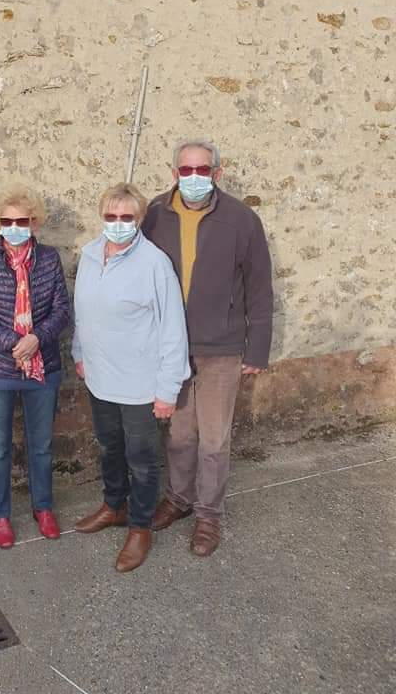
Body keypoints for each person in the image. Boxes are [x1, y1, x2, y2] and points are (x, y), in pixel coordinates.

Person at [141, 138, 273, 557]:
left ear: (217, 172)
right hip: (170, 346)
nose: (193, 178)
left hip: (221, 347)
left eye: (202, 170)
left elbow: (259, 287)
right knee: (179, 434)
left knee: (214, 439)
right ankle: (178, 499)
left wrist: (257, 350)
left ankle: (208, 515)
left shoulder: (242, 219)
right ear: (174, 172)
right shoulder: (155, 215)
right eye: (186, 170)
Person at [72, 183, 190, 573]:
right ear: (101, 216)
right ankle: (114, 506)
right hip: (100, 377)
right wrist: (79, 352)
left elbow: (173, 328)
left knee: (142, 460)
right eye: (111, 216)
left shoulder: (154, 264)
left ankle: (140, 527)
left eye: (126, 217)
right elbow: (84, 311)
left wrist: (168, 388)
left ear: (139, 219)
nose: (118, 224)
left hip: (140, 384)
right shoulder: (90, 254)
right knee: (109, 448)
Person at [0, 186, 70, 549]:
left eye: (20, 221)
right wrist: (13, 342)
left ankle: (43, 508)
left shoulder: (50, 260)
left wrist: (37, 337)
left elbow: (61, 312)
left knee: (41, 446)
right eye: (6, 221)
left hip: (43, 367)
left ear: (34, 222)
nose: (13, 227)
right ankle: (1, 515)